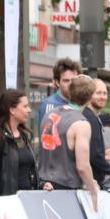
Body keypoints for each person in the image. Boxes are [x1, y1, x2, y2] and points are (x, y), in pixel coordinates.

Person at [38, 75, 100, 211]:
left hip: (41, 185)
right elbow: (82, 167)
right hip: (65, 190)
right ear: (90, 98)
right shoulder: (81, 124)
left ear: (70, 92)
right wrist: (93, 189)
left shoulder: (49, 114)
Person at [81, 77, 110, 187]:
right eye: (98, 93)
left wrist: (104, 154)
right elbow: (94, 157)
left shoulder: (93, 116)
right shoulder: (90, 118)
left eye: (105, 93)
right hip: (90, 184)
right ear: (89, 94)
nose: (103, 97)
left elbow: (91, 153)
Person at [36, 57, 81, 126]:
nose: (71, 84)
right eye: (66, 80)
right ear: (57, 82)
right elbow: (46, 134)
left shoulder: (80, 103)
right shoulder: (50, 105)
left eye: (73, 80)